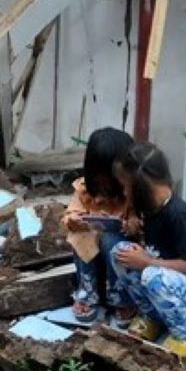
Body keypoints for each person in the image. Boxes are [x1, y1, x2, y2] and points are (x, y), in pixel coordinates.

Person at [104, 142, 186, 357]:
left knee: (153, 276)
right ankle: (154, 318)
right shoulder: (152, 209)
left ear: (140, 186)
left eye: (126, 186)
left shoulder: (180, 215)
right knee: (120, 253)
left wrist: (146, 262)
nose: (124, 192)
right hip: (170, 288)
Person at [61, 127, 136, 322]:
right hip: (92, 258)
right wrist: (76, 220)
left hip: (121, 256)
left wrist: (131, 225)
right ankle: (88, 293)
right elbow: (70, 214)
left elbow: (141, 221)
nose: (103, 180)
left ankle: (122, 299)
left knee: (112, 240)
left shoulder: (131, 192)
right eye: (98, 173)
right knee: (81, 235)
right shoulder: (84, 190)